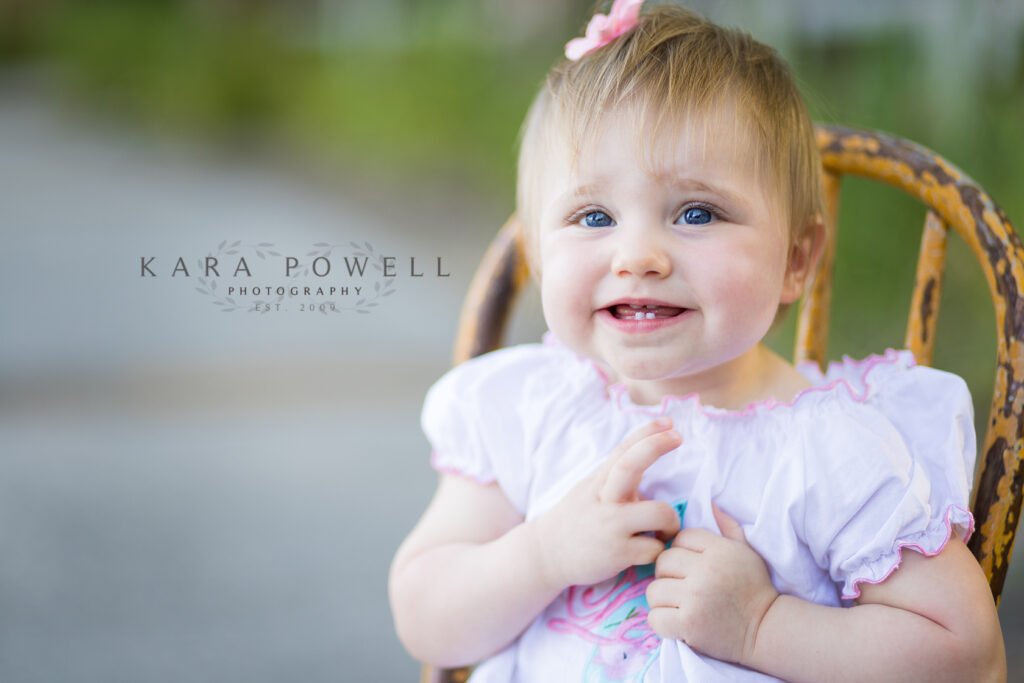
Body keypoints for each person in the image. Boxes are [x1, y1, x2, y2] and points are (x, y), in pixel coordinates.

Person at [388, 2, 1007, 681]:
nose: (638, 255)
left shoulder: (830, 452)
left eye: (696, 212)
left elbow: (967, 657)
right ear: (538, 253)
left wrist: (762, 625)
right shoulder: (534, 411)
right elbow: (425, 616)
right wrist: (541, 555)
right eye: (593, 216)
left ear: (796, 260)